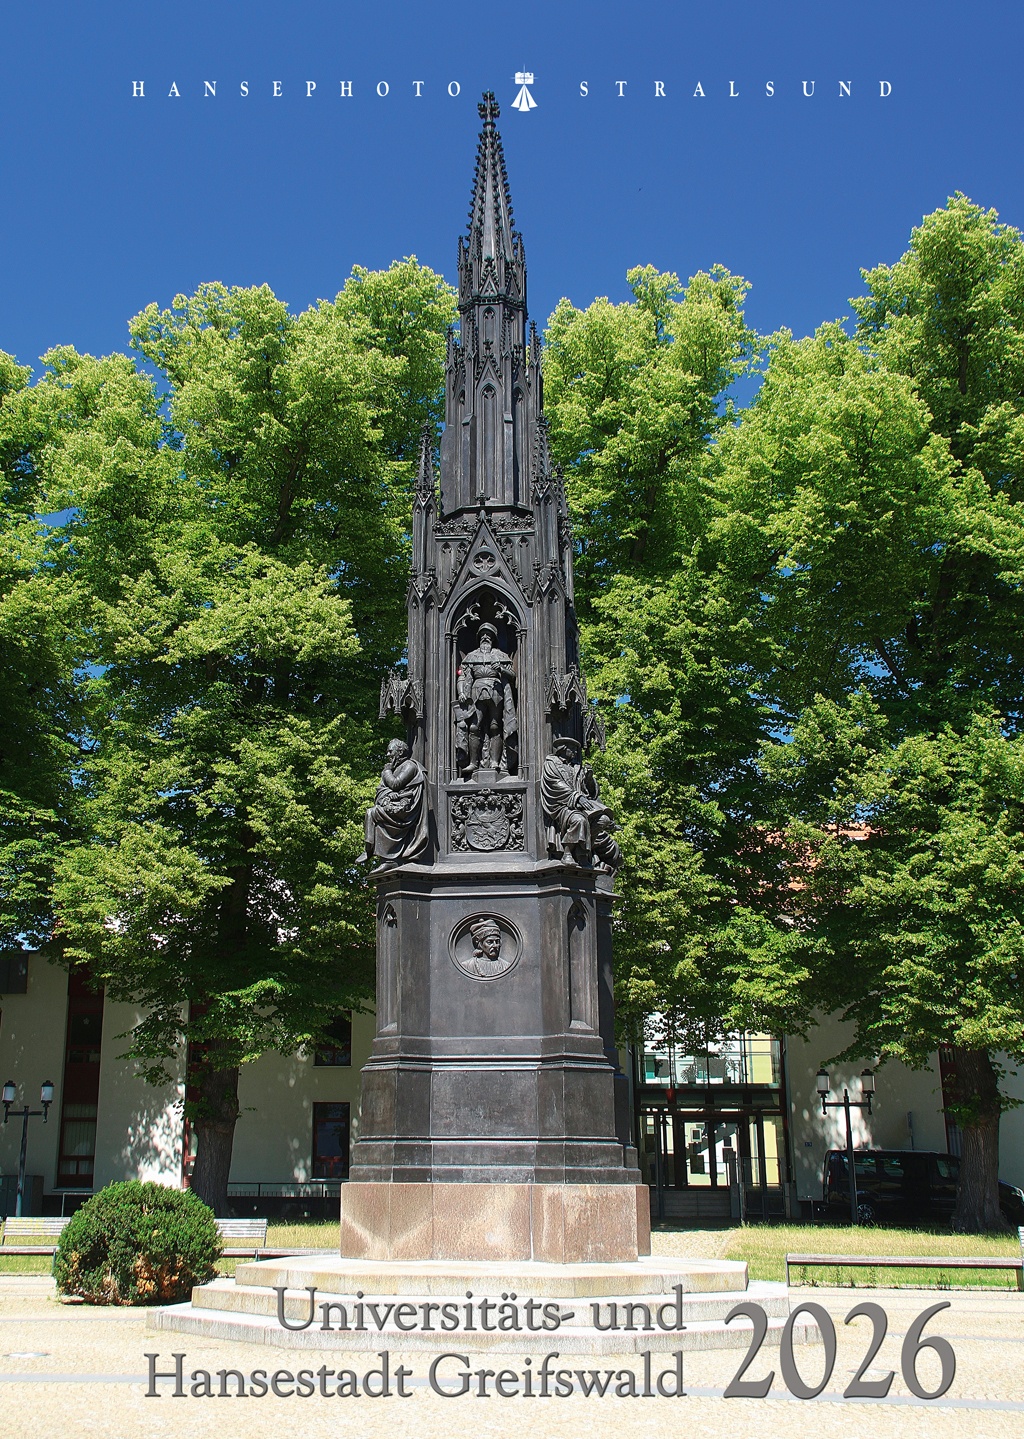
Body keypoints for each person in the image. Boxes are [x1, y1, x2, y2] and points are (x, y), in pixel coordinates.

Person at [541, 736, 621, 871]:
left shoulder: (576, 767)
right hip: (561, 805)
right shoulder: (552, 764)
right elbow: (555, 784)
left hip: (580, 805)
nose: (575, 752)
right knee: (579, 820)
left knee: (604, 820)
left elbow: (589, 792)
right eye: (572, 749)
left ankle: (582, 851)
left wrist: (589, 779)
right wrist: (576, 797)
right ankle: (568, 853)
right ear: (563, 749)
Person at [456, 622, 517, 775]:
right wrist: (461, 692)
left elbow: (512, 675)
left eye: (488, 635)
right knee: (474, 727)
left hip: (496, 692)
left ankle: (495, 761)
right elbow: (462, 676)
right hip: (476, 693)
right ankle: (473, 763)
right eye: (482, 634)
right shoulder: (471, 656)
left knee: (495, 726)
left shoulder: (500, 655)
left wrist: (501, 669)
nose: (485, 637)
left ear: (493, 638)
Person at [358, 739, 429, 865]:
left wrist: (386, 772)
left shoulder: (409, 765)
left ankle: (380, 855)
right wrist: (389, 794)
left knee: (372, 813)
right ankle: (372, 851)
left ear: (400, 752)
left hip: (406, 809)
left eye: (390, 751)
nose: (388, 755)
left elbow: (395, 784)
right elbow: (381, 789)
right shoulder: (394, 768)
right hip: (393, 803)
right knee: (371, 812)